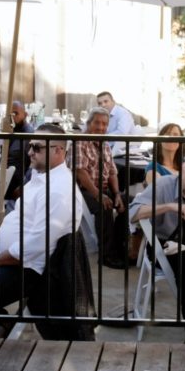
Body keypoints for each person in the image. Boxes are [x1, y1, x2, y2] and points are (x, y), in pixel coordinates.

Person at [0, 124, 84, 338]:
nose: (29, 152)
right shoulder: (40, 179)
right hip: (10, 260)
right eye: (30, 146)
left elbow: (34, 248)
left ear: (58, 151)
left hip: (27, 270)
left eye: (37, 148)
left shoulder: (58, 190)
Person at [128, 153, 185, 344]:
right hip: (161, 245)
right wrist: (170, 207)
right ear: (184, 168)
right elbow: (133, 213)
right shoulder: (164, 185)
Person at [74, 107, 129, 269]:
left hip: (104, 189)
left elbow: (112, 171)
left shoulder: (104, 143)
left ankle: (121, 249)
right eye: (97, 123)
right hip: (83, 191)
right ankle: (106, 255)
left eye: (105, 124)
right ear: (89, 123)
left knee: (128, 203)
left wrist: (117, 194)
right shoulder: (80, 142)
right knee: (104, 207)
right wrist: (98, 195)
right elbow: (80, 173)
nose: (101, 127)